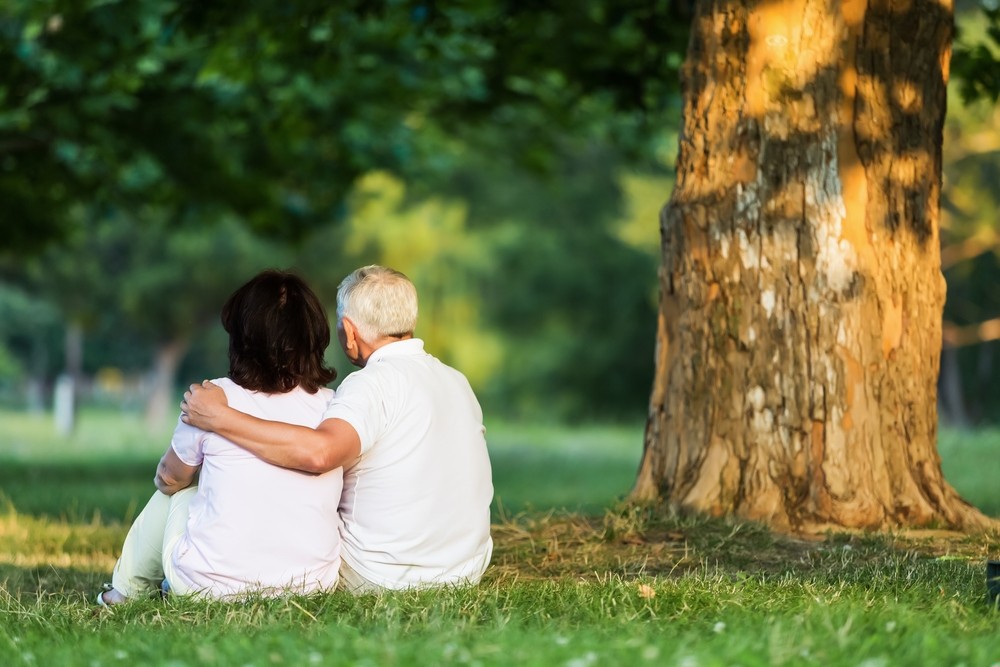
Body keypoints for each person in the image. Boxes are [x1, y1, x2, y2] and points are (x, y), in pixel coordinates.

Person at [182, 265, 493, 593]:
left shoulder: (371, 384)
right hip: (464, 569)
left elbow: (319, 453)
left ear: (349, 331)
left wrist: (220, 417)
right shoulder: (457, 381)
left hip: (381, 576)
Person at [98, 270, 342, 604]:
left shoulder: (212, 399)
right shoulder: (334, 408)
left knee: (179, 491)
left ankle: (125, 592)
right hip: (311, 586)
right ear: (314, 337)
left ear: (242, 338)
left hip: (208, 587)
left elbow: (169, 480)